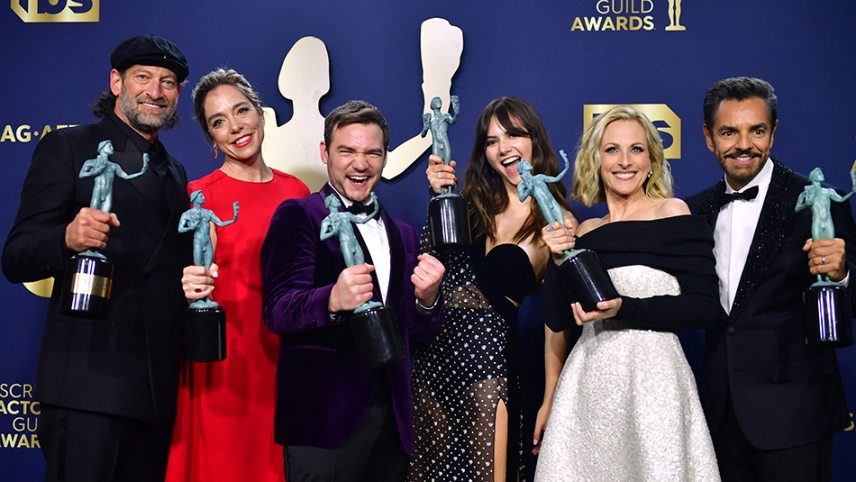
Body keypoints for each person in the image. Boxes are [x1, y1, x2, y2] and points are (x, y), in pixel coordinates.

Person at [1, 34, 191, 482]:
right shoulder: (70, 147)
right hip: (88, 386)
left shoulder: (175, 170)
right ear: (115, 82)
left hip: (155, 393)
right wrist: (67, 236)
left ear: (178, 93)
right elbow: (16, 257)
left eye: (168, 82)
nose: (155, 91)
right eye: (143, 77)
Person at [260, 100, 445, 481]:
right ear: (326, 153)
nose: (360, 164)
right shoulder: (300, 216)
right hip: (323, 420)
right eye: (347, 151)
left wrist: (427, 302)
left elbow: (415, 333)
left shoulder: (404, 234)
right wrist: (331, 299)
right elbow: (277, 310)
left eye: (372, 153)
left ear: (384, 158)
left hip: (391, 421)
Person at [534, 105, 721, 481]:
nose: (625, 161)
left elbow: (704, 309)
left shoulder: (673, 213)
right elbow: (556, 318)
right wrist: (556, 260)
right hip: (588, 384)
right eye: (612, 149)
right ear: (596, 159)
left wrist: (623, 308)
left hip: (655, 385)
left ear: (652, 159)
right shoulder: (583, 232)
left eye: (636, 149)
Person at [686, 77, 856, 482]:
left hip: (797, 415)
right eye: (729, 132)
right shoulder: (692, 211)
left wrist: (843, 274)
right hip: (718, 417)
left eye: (756, 130)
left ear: (773, 134)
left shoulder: (816, 201)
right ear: (709, 138)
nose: (744, 144)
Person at [410, 97, 574, 481]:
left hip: (492, 368)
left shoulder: (558, 220)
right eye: (492, 140)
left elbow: (556, 317)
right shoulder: (465, 206)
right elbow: (427, 269)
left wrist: (552, 396)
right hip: (435, 363)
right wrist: (439, 199)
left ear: (535, 140)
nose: (504, 148)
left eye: (514, 134)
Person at [165, 68, 309, 482]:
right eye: (218, 122)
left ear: (261, 115)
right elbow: (175, 280)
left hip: (284, 359)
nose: (235, 127)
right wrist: (185, 286)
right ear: (212, 140)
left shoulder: (297, 192)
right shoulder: (197, 195)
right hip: (223, 360)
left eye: (241, 111)